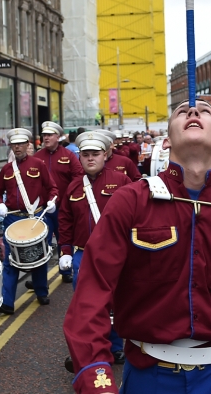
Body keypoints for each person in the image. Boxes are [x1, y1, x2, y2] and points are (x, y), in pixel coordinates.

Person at [63, 100, 211, 394]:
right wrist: (96, 378)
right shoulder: (130, 202)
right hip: (150, 377)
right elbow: (90, 295)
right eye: (182, 112)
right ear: (166, 141)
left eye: (205, 111)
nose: (194, 112)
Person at [58, 131, 132, 370]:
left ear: (105, 155)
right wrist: (65, 251)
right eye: (86, 154)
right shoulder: (73, 187)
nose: (90, 158)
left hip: (114, 252)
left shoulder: (121, 181)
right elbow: (65, 220)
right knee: (85, 304)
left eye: (95, 154)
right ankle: (89, 347)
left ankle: (115, 346)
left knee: (115, 301)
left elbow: (135, 215)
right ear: (79, 157)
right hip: (83, 254)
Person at [0, 128, 57, 313]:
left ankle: (41, 291)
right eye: (14, 144)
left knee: (38, 256)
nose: (17, 147)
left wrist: (52, 201)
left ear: (28, 145)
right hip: (13, 218)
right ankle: (7, 302)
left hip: (35, 216)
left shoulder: (38, 164)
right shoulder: (6, 169)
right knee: (10, 259)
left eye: (21, 144)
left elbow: (52, 187)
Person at [34, 122, 84, 284]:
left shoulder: (68, 155)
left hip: (63, 206)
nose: (46, 138)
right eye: (44, 135)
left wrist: (70, 197)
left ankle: (66, 269)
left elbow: (78, 177)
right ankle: (39, 279)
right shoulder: (37, 157)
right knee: (42, 243)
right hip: (42, 208)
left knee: (64, 238)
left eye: (49, 135)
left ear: (58, 137)